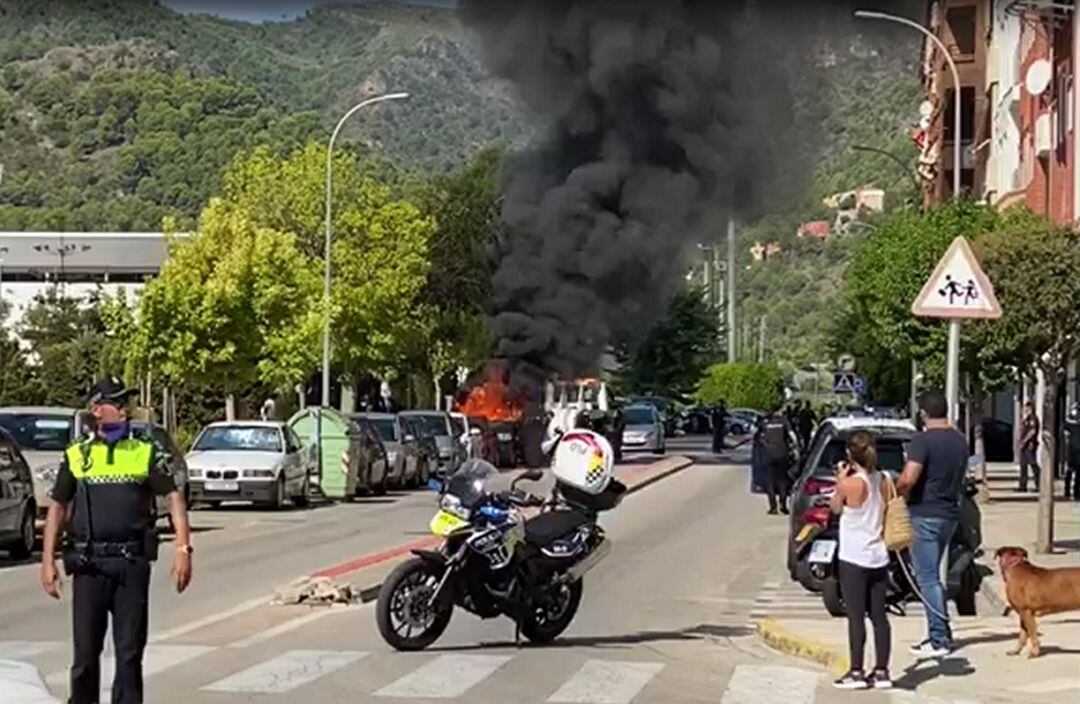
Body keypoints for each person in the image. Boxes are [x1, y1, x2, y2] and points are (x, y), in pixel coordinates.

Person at [40, 377, 193, 704]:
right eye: (118, 402)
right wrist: (47, 561)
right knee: (85, 657)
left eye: (127, 402)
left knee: (128, 655)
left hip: (130, 564)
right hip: (89, 565)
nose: (125, 409)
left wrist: (183, 549)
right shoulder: (77, 455)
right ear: (96, 409)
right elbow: (57, 508)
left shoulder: (143, 451)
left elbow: (174, 497)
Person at [897, 390, 967, 658]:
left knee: (928, 578)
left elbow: (909, 478)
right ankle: (941, 634)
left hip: (924, 513)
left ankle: (938, 638)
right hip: (949, 513)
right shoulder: (960, 440)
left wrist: (897, 492)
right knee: (934, 576)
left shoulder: (923, 441)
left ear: (923, 413)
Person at [829, 431, 892, 690]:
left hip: (854, 556)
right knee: (879, 616)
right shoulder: (885, 479)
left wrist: (840, 480)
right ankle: (882, 671)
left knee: (856, 616)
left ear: (849, 455)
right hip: (879, 554)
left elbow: (835, 507)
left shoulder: (850, 484)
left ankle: (856, 671)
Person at [759, 407, 796, 514]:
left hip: (769, 455)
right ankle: (783, 506)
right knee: (782, 481)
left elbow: (759, 438)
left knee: (770, 482)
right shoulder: (784, 422)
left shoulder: (765, 423)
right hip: (782, 454)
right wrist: (795, 447)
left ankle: (773, 507)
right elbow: (792, 435)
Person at [1018, 402, 1041, 493]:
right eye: (1025, 408)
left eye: (1027, 408)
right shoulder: (1026, 418)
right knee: (1023, 466)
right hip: (1024, 446)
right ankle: (1022, 486)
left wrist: (1024, 441)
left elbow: (1032, 431)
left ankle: (1039, 484)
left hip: (1029, 445)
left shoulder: (1033, 419)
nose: (1025, 410)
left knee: (1033, 465)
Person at [1065, 403, 1080, 501]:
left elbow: (1065, 432)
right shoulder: (1070, 422)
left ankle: (1068, 491)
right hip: (1075, 449)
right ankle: (1076, 493)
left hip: (1072, 448)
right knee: (1076, 471)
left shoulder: (1068, 421)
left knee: (1071, 471)